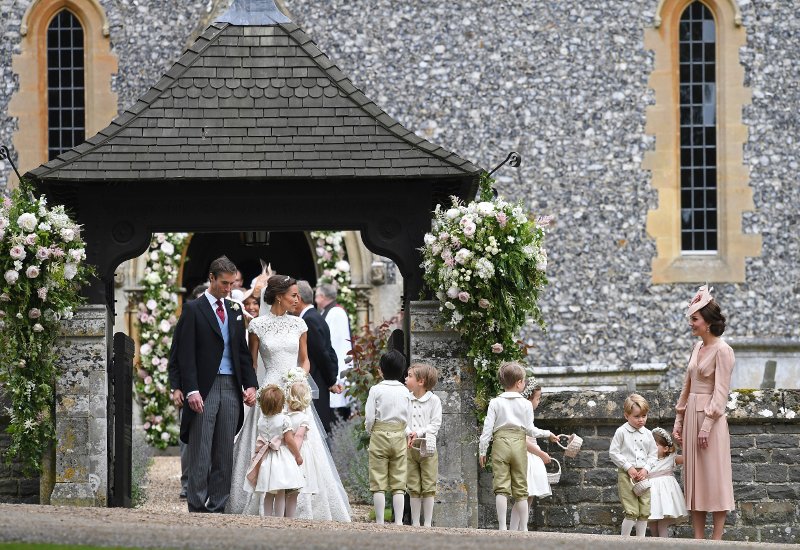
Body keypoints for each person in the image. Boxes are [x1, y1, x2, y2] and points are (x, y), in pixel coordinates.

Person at [227, 275, 351, 522]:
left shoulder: (299, 325)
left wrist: (299, 377)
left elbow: (305, 360)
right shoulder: (257, 326)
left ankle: (304, 505)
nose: (298, 299)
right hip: (270, 391)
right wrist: (252, 388)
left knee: (301, 439)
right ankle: (262, 500)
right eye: (293, 295)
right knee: (267, 438)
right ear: (279, 296)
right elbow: (252, 363)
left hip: (294, 391)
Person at [175, 256, 258, 513]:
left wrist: (250, 384)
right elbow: (184, 354)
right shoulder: (192, 309)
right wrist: (191, 389)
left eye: (232, 284)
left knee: (225, 450)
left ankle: (219, 504)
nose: (228, 289)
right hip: (204, 388)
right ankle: (197, 505)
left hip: (232, 387)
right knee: (200, 449)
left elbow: (241, 352)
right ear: (211, 278)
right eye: (224, 283)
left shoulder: (234, 310)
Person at [672, 285, 735, 540]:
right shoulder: (696, 349)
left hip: (711, 422)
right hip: (691, 419)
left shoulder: (724, 351)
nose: (691, 324)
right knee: (695, 480)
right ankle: (698, 539)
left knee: (715, 478)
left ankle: (717, 540)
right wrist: (679, 421)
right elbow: (686, 388)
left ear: (707, 323)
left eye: (694, 319)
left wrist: (706, 425)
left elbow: (720, 394)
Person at [479, 361, 546, 531]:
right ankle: (523, 528)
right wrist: (547, 434)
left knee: (501, 488)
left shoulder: (495, 402)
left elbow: (487, 429)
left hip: (500, 444)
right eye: (523, 380)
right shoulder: (525, 404)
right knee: (521, 489)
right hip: (518, 445)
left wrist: (482, 450)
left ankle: (502, 527)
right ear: (518, 383)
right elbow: (530, 430)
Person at [167, 283, 208, 500]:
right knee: (187, 442)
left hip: (211, 388)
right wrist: (176, 388)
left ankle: (205, 483)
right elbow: (175, 358)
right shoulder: (186, 321)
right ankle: (187, 483)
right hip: (187, 390)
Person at [365, 349, 411, 525]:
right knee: (399, 481)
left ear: (381, 370)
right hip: (399, 434)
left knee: (378, 479)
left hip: (379, 434)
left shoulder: (376, 390)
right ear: (402, 371)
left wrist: (371, 431)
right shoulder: (405, 391)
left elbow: (370, 417)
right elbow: (409, 417)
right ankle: (398, 521)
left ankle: (379, 521)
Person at [243, 384, 304, 517]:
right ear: (281, 403)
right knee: (280, 490)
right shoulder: (284, 419)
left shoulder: (261, 420)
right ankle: (279, 518)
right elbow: (289, 440)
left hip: (266, 458)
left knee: (269, 492)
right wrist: (298, 455)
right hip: (281, 457)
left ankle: (267, 517)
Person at [508, 377, 557, 531]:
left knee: (528, 496)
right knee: (523, 496)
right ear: (528, 398)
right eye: (538, 398)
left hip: (531, 457)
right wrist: (541, 453)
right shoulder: (523, 413)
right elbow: (523, 440)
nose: (539, 402)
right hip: (526, 457)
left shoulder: (526, 413)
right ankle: (517, 529)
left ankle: (521, 527)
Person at [295, 280, 341, 435]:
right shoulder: (315, 316)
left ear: (299, 298)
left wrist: (331, 381)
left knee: (315, 431)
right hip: (320, 381)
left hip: (316, 382)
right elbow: (329, 351)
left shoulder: (309, 320)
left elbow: (322, 353)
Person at [609, 393, 658, 537]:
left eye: (644, 416)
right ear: (626, 416)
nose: (641, 420)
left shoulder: (648, 434)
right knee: (631, 510)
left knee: (644, 509)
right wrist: (628, 467)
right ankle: (624, 541)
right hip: (627, 475)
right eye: (637, 416)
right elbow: (613, 452)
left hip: (643, 475)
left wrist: (646, 469)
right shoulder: (621, 432)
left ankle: (640, 542)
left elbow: (653, 455)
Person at [404, 363, 442, 527]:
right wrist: (408, 432)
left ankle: (427, 522)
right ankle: (415, 522)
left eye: (410, 375)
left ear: (421, 381)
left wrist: (418, 433)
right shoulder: (406, 398)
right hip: (409, 446)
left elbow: (435, 424)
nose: (406, 378)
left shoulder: (434, 400)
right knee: (413, 484)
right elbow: (402, 419)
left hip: (428, 447)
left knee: (428, 484)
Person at [315, 283, 353, 425]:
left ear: (323, 296)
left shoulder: (336, 313)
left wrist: (337, 377)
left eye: (317, 295)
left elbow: (338, 345)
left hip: (338, 371)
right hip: (333, 370)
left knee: (337, 418)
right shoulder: (329, 311)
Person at [285, 374, 318, 514]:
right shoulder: (304, 418)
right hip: (298, 453)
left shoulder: (284, 416)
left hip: (284, 451)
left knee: (283, 487)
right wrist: (295, 455)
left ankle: (280, 514)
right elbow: (298, 436)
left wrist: (286, 451)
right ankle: (290, 516)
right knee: (294, 490)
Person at [648, 427, 688, 537]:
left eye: (654, 445)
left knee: (662, 525)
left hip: (666, 497)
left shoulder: (671, 458)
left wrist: (682, 444)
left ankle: (663, 546)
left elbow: (687, 458)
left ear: (665, 448)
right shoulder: (646, 460)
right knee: (652, 524)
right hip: (651, 496)